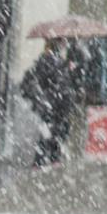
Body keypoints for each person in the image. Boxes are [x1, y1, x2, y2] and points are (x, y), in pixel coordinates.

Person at [21, 37, 76, 167]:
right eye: (62, 44)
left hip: (56, 103)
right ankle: (46, 159)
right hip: (53, 103)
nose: (64, 47)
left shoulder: (56, 61)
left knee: (54, 131)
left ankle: (48, 159)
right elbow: (50, 82)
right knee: (52, 131)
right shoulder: (50, 61)